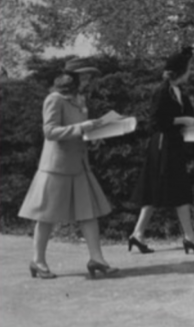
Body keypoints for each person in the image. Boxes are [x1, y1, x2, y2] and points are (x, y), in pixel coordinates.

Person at [19, 58, 118, 279]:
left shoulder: (80, 99)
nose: (88, 80)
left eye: (88, 76)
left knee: (88, 213)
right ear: (70, 78)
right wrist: (82, 127)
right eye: (84, 76)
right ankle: (38, 261)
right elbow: (50, 132)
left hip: (79, 164)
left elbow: (77, 132)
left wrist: (94, 135)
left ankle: (97, 259)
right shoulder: (54, 99)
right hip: (56, 166)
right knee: (46, 215)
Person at [128, 47, 194, 255]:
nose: (190, 72)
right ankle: (190, 237)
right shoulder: (162, 91)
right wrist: (183, 120)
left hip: (173, 145)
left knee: (157, 191)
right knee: (179, 191)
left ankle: (137, 234)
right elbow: (155, 122)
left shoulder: (179, 92)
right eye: (188, 69)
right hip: (163, 146)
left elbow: (186, 116)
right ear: (180, 71)